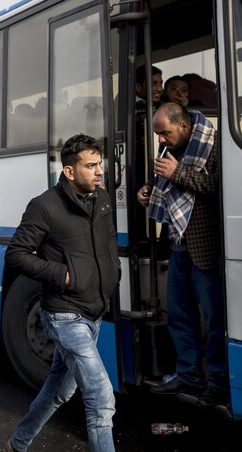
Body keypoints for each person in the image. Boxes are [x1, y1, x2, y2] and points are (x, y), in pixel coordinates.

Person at [3, 134, 120, 452]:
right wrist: (62, 275)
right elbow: (16, 254)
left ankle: (17, 444)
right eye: (91, 165)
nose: (99, 172)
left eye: (101, 164)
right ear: (69, 171)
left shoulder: (102, 198)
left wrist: (112, 276)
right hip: (64, 313)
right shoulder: (44, 206)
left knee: (59, 391)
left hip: (93, 311)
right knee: (100, 397)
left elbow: (107, 244)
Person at [136, 102, 227, 406]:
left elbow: (220, 187)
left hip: (205, 249)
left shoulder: (215, 146)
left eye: (165, 133)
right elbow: (161, 183)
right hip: (176, 246)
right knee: (179, 315)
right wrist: (147, 190)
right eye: (158, 134)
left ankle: (218, 382)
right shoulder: (168, 151)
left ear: (185, 127)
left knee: (215, 320)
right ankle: (188, 376)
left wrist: (179, 173)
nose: (160, 139)